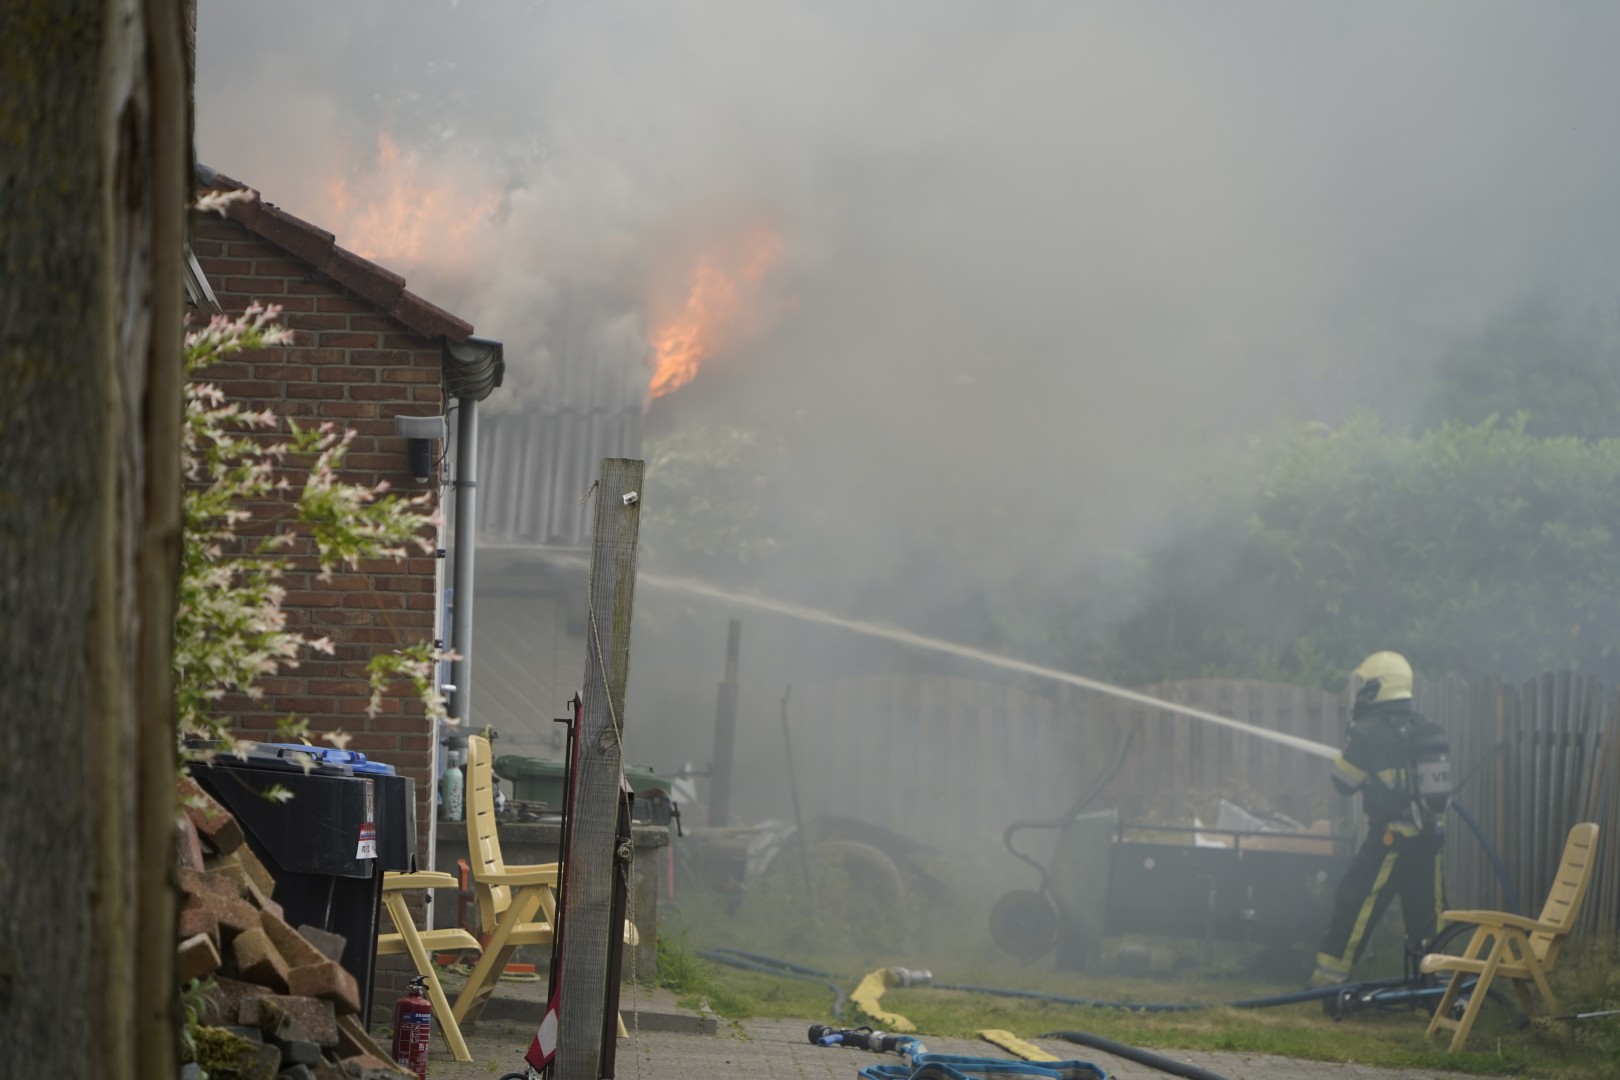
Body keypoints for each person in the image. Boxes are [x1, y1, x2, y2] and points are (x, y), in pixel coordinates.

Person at [1311, 650, 1450, 987]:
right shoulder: (1420, 727)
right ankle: (1433, 988)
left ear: (1378, 687)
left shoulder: (1368, 731)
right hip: (1426, 839)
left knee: (1354, 901)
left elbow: (1343, 783)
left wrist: (1350, 746)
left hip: (1391, 841)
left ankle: (1328, 983)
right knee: (1426, 919)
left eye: (1365, 684)